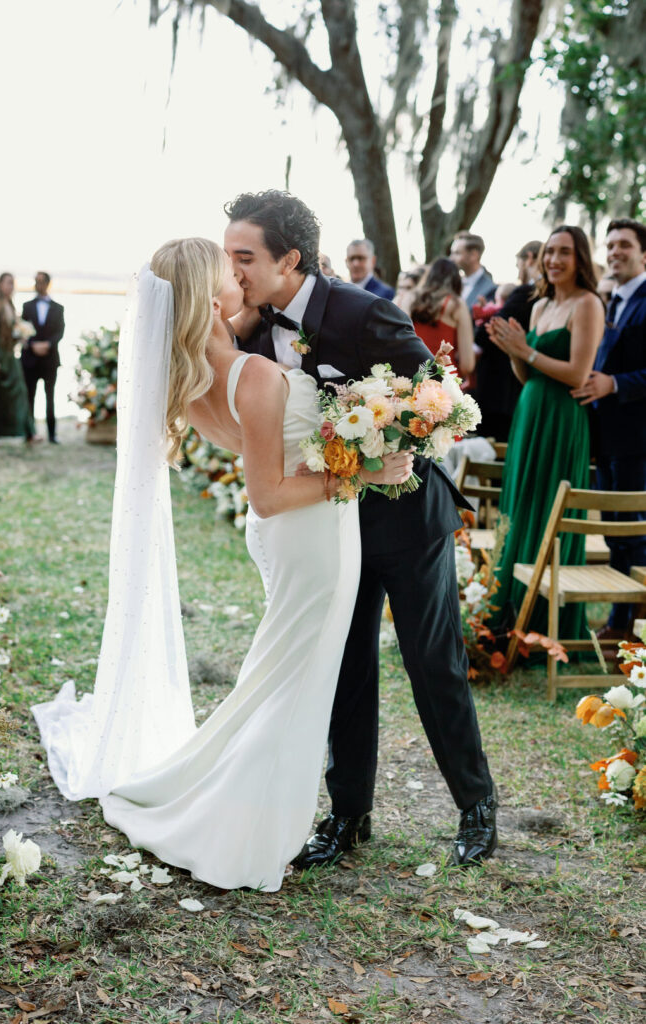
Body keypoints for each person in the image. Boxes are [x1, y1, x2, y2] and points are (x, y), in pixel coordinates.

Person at [32, 237, 413, 892]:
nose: (240, 277)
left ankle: (241, 805)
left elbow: (271, 469)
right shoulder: (255, 374)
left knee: (283, 679)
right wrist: (364, 472)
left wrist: (344, 445)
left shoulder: (191, 383)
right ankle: (237, 823)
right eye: (228, 272)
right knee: (288, 685)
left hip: (292, 534)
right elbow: (270, 492)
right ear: (211, 299)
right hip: (308, 534)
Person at [225, 190, 496, 869]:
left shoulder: (361, 309)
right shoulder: (253, 329)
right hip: (327, 525)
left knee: (430, 662)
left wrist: (371, 435)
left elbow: (436, 396)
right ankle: (348, 816)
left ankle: (475, 805)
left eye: (245, 257)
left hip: (406, 518)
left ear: (289, 259)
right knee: (342, 666)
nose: (235, 271)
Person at [486, 226, 604, 636]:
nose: (553, 260)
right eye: (549, 252)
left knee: (549, 504)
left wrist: (527, 350)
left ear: (580, 259)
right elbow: (526, 372)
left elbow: (577, 373)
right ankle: (510, 609)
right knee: (522, 501)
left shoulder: (588, 304)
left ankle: (544, 619)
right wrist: (513, 353)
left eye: (564, 252)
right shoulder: (539, 307)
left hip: (561, 416)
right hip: (530, 410)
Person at [570, 218, 646, 641]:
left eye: (624, 245)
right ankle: (620, 621)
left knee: (633, 531)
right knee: (614, 530)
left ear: (643, 254)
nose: (615, 251)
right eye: (611, 244)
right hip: (604, 437)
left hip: (637, 438)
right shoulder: (609, 300)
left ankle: (628, 627)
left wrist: (614, 383)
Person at [474, 240, 541, 440]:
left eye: (517, 264)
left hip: (502, 389)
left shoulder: (526, 292)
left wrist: (483, 323)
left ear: (528, 258)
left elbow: (488, 333)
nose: (518, 271)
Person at [0, 273, 35, 444]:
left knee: (19, 390)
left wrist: (21, 336)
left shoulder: (9, 305)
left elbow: (12, 329)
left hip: (9, 354)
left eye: (13, 284)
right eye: (8, 283)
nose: (11, 287)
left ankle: (28, 432)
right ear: (0, 285)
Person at [408, 258, 475, 378]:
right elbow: (467, 364)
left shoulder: (407, 299)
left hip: (411, 378)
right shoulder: (456, 304)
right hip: (443, 382)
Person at [21, 272, 65, 444]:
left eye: (41, 281)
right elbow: (22, 329)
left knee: (50, 397)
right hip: (30, 359)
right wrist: (33, 345)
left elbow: (60, 331)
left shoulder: (58, 308)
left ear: (48, 284)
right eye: (36, 281)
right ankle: (29, 433)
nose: (38, 284)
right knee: (29, 396)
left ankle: (52, 434)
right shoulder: (27, 306)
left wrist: (48, 345)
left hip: (49, 359)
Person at [449, 231, 496, 311]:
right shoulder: (451, 283)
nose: (451, 258)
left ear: (473, 255)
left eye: (457, 253)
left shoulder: (490, 289)